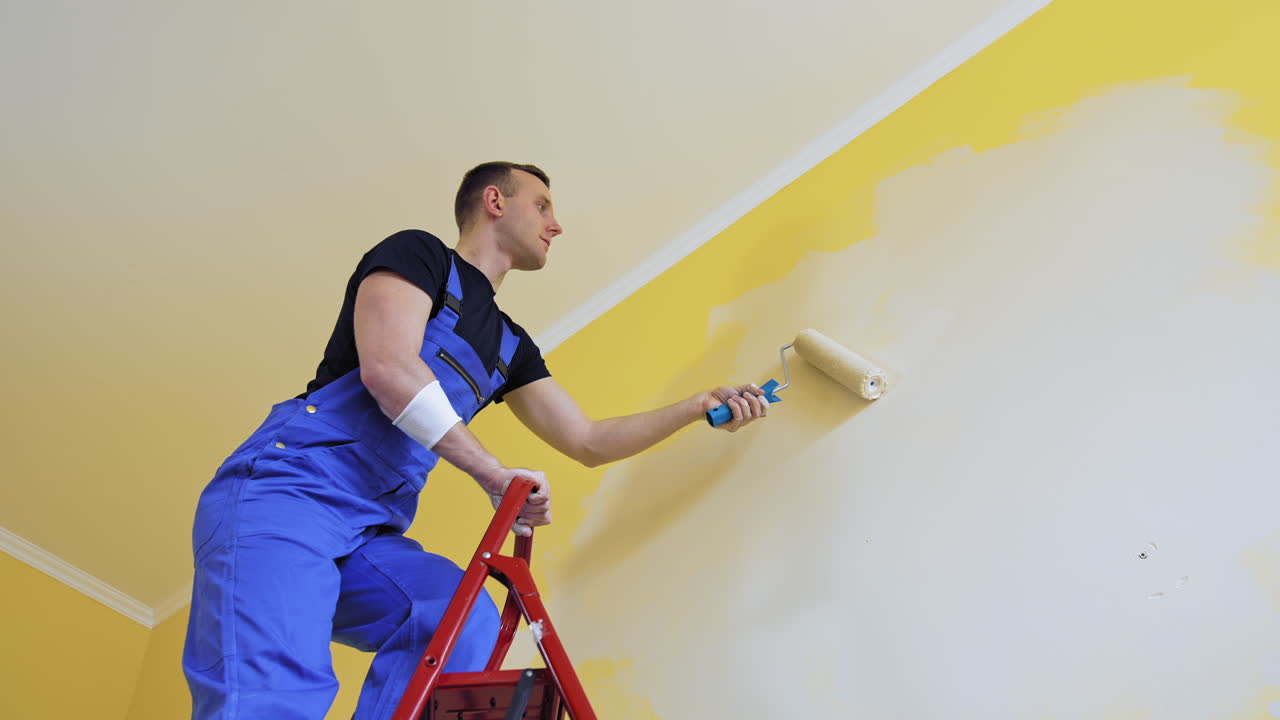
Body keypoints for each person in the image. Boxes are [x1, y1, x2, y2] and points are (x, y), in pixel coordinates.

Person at [182, 162, 769, 719]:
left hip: (367, 530)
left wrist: (696, 408)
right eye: (542, 205)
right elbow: (388, 368)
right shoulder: (420, 255)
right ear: (495, 201)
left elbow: (589, 441)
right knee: (274, 687)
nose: (555, 224)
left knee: (457, 619)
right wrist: (492, 472)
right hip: (290, 495)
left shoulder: (511, 347)